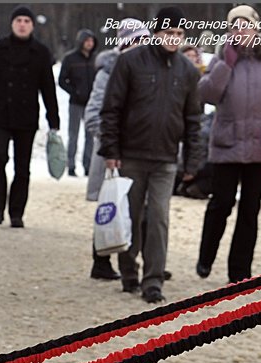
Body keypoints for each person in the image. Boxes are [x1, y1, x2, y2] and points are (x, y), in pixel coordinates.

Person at [99, 5, 202, 303]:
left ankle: (153, 279)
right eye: (168, 32)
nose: (173, 38)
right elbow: (112, 108)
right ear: (155, 33)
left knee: (158, 217)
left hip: (166, 158)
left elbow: (194, 119)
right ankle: (129, 270)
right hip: (130, 154)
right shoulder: (130, 62)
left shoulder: (187, 71)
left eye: (179, 34)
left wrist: (193, 160)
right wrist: (111, 149)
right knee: (130, 215)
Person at [195, 5, 261, 284]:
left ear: (256, 29)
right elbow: (207, 94)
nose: (240, 31)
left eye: (245, 26)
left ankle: (239, 272)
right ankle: (206, 256)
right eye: (234, 26)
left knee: (249, 211)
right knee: (221, 204)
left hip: (260, 146)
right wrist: (227, 63)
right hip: (227, 144)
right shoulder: (220, 59)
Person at [0, 5, 60, 228]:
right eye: (18, 20)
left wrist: (53, 119)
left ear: (32, 25)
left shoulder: (40, 52)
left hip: (26, 117)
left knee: (22, 167)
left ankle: (17, 212)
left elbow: (48, 87)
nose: (22, 24)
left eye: (26, 21)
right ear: (12, 24)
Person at [84, 18, 149, 281]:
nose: (141, 47)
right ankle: (101, 260)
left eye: (144, 41)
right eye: (136, 41)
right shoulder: (106, 73)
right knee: (111, 206)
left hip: (141, 149)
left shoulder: (149, 70)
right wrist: (111, 141)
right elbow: (93, 114)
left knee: (140, 208)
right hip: (114, 151)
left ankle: (140, 261)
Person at [58, 27, 97, 177]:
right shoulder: (70, 59)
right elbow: (62, 80)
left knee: (90, 136)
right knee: (73, 134)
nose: (89, 44)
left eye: (91, 41)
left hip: (91, 103)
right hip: (75, 102)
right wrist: (74, 91)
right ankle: (71, 165)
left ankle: (88, 165)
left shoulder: (95, 59)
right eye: (87, 41)